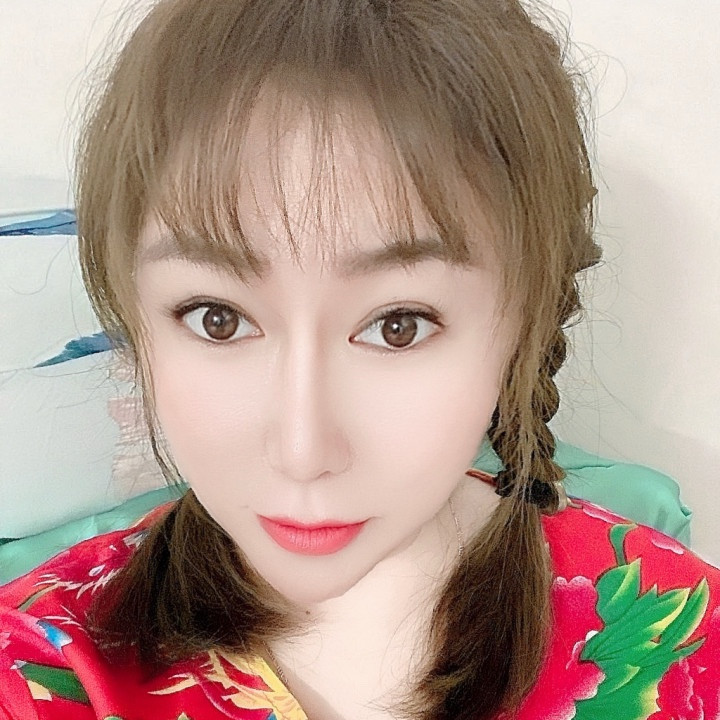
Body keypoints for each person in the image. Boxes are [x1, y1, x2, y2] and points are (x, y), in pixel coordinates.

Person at [1, 0, 719, 718]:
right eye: (217, 320)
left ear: (523, 322)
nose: (303, 453)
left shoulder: (690, 642)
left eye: (398, 327)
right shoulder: (35, 663)